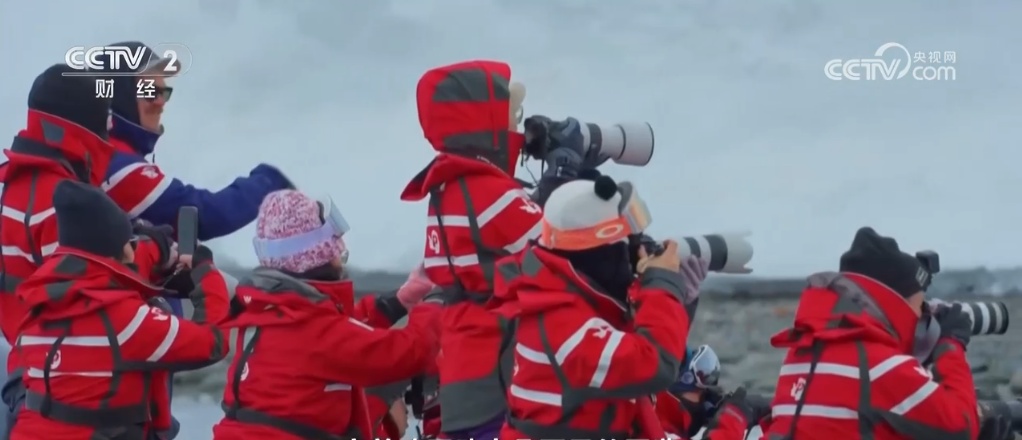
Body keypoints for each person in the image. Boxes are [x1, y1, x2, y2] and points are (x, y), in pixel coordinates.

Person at [705, 227, 980, 440]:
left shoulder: (799, 356)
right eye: (920, 306)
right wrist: (951, 344)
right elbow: (962, 425)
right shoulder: (881, 368)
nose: (924, 317)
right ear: (896, 304)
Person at [211, 189, 442, 440]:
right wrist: (437, 300)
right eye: (333, 237)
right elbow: (409, 352)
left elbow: (340, 331)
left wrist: (399, 300)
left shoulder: (271, 313)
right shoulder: (316, 333)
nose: (340, 247)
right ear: (316, 253)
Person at [10, 180, 231, 440]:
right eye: (131, 241)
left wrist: (156, 252)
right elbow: (213, 342)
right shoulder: (127, 322)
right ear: (120, 249)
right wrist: (206, 272)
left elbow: (102, 271)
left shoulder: (35, 312)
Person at [490, 175, 707, 439]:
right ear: (601, 252)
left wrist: (677, 300)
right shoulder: (563, 326)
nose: (635, 251)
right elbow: (655, 366)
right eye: (627, 244)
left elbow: (633, 344)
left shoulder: (560, 297)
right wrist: (662, 286)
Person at [398, 59, 545, 439]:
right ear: (485, 125)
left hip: (463, 368)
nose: (518, 129)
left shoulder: (447, 189)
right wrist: (567, 188)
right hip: (501, 375)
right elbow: (561, 249)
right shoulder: (493, 194)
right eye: (512, 117)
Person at [0, 64, 118, 434]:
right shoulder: (61, 201)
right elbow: (96, 294)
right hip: (64, 387)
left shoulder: (14, 184)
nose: (110, 132)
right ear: (86, 127)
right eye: (106, 121)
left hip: (23, 369)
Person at [100, 41, 294, 242]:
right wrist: (272, 181)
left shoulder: (106, 156)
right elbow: (206, 215)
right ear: (118, 94)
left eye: (164, 93)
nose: (161, 102)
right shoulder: (116, 164)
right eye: (150, 92)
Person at [658, 344, 728, 439]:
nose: (702, 398)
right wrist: (731, 422)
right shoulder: (658, 432)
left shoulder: (650, 418)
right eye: (698, 391)